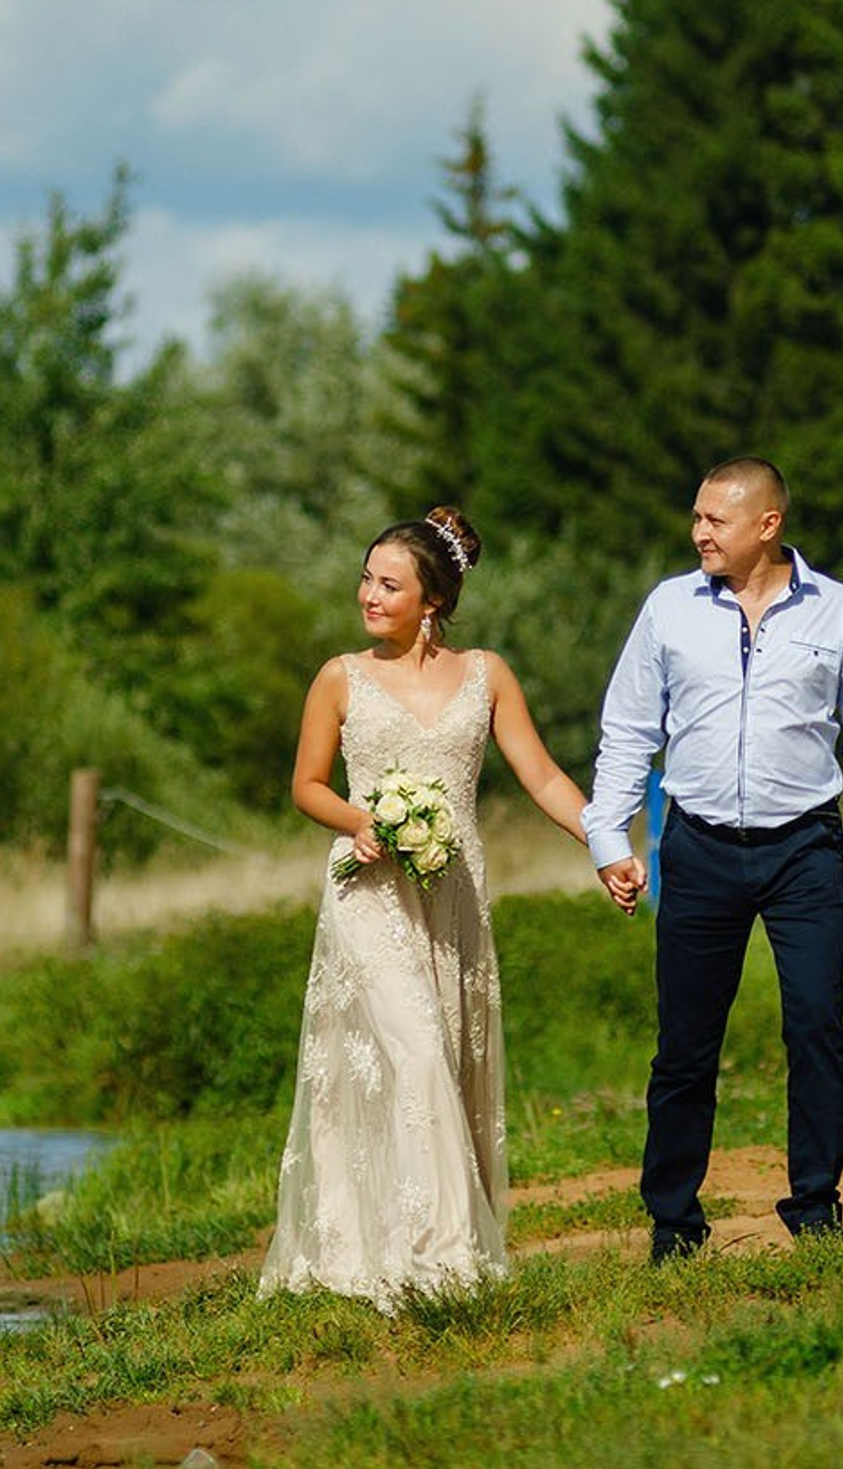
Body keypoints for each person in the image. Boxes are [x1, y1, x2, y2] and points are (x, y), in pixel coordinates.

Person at [260, 506, 631, 1309]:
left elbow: (542, 775)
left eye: (389, 585)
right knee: (418, 1055)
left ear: (433, 600)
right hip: (368, 895)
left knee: (446, 1066)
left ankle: (410, 1249)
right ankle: (444, 1266)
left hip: (454, 897)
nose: (369, 595)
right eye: (366, 578)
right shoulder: (339, 677)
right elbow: (306, 786)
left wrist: (606, 846)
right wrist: (361, 821)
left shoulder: (487, 675)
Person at [579, 456, 843, 1263]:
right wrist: (609, 839)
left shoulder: (840, 612)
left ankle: (814, 1206)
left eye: (715, 519)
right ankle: (674, 1222)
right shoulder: (668, 608)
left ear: (768, 524)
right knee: (685, 1046)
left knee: (816, 1027)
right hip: (698, 847)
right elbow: (628, 731)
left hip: (803, 851)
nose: (698, 532)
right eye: (697, 517)